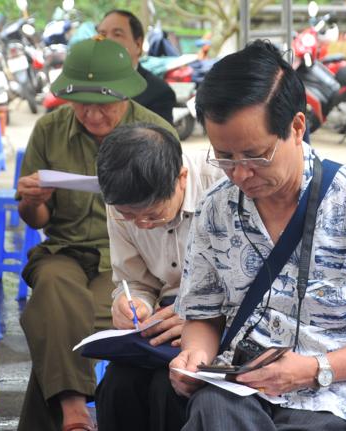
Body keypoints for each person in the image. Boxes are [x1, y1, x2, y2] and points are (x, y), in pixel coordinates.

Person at [169, 40, 346, 431]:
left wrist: (313, 369)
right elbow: (204, 315)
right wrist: (195, 356)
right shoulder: (215, 208)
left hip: (338, 393)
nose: (240, 173)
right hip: (241, 385)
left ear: (297, 127)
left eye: (256, 155)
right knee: (212, 410)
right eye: (225, 157)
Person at [15, 36, 177, 431]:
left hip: (130, 265)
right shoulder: (50, 130)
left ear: (126, 93)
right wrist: (33, 199)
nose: (92, 114)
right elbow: (35, 220)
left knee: (54, 322)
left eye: (104, 104)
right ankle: (76, 413)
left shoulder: (155, 134)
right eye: (80, 103)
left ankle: (71, 416)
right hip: (65, 251)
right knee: (53, 285)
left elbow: (169, 219)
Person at [94, 123, 223, 431]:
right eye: (129, 216)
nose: (141, 224)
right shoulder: (121, 203)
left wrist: (202, 316)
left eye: (153, 214)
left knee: (169, 389)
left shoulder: (223, 184)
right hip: (164, 317)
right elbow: (135, 280)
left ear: (181, 179)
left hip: (223, 314)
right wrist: (133, 303)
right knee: (118, 386)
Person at [96, 9, 176, 125]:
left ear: (138, 45)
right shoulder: (85, 83)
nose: (106, 41)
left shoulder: (158, 92)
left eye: (117, 34)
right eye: (102, 35)